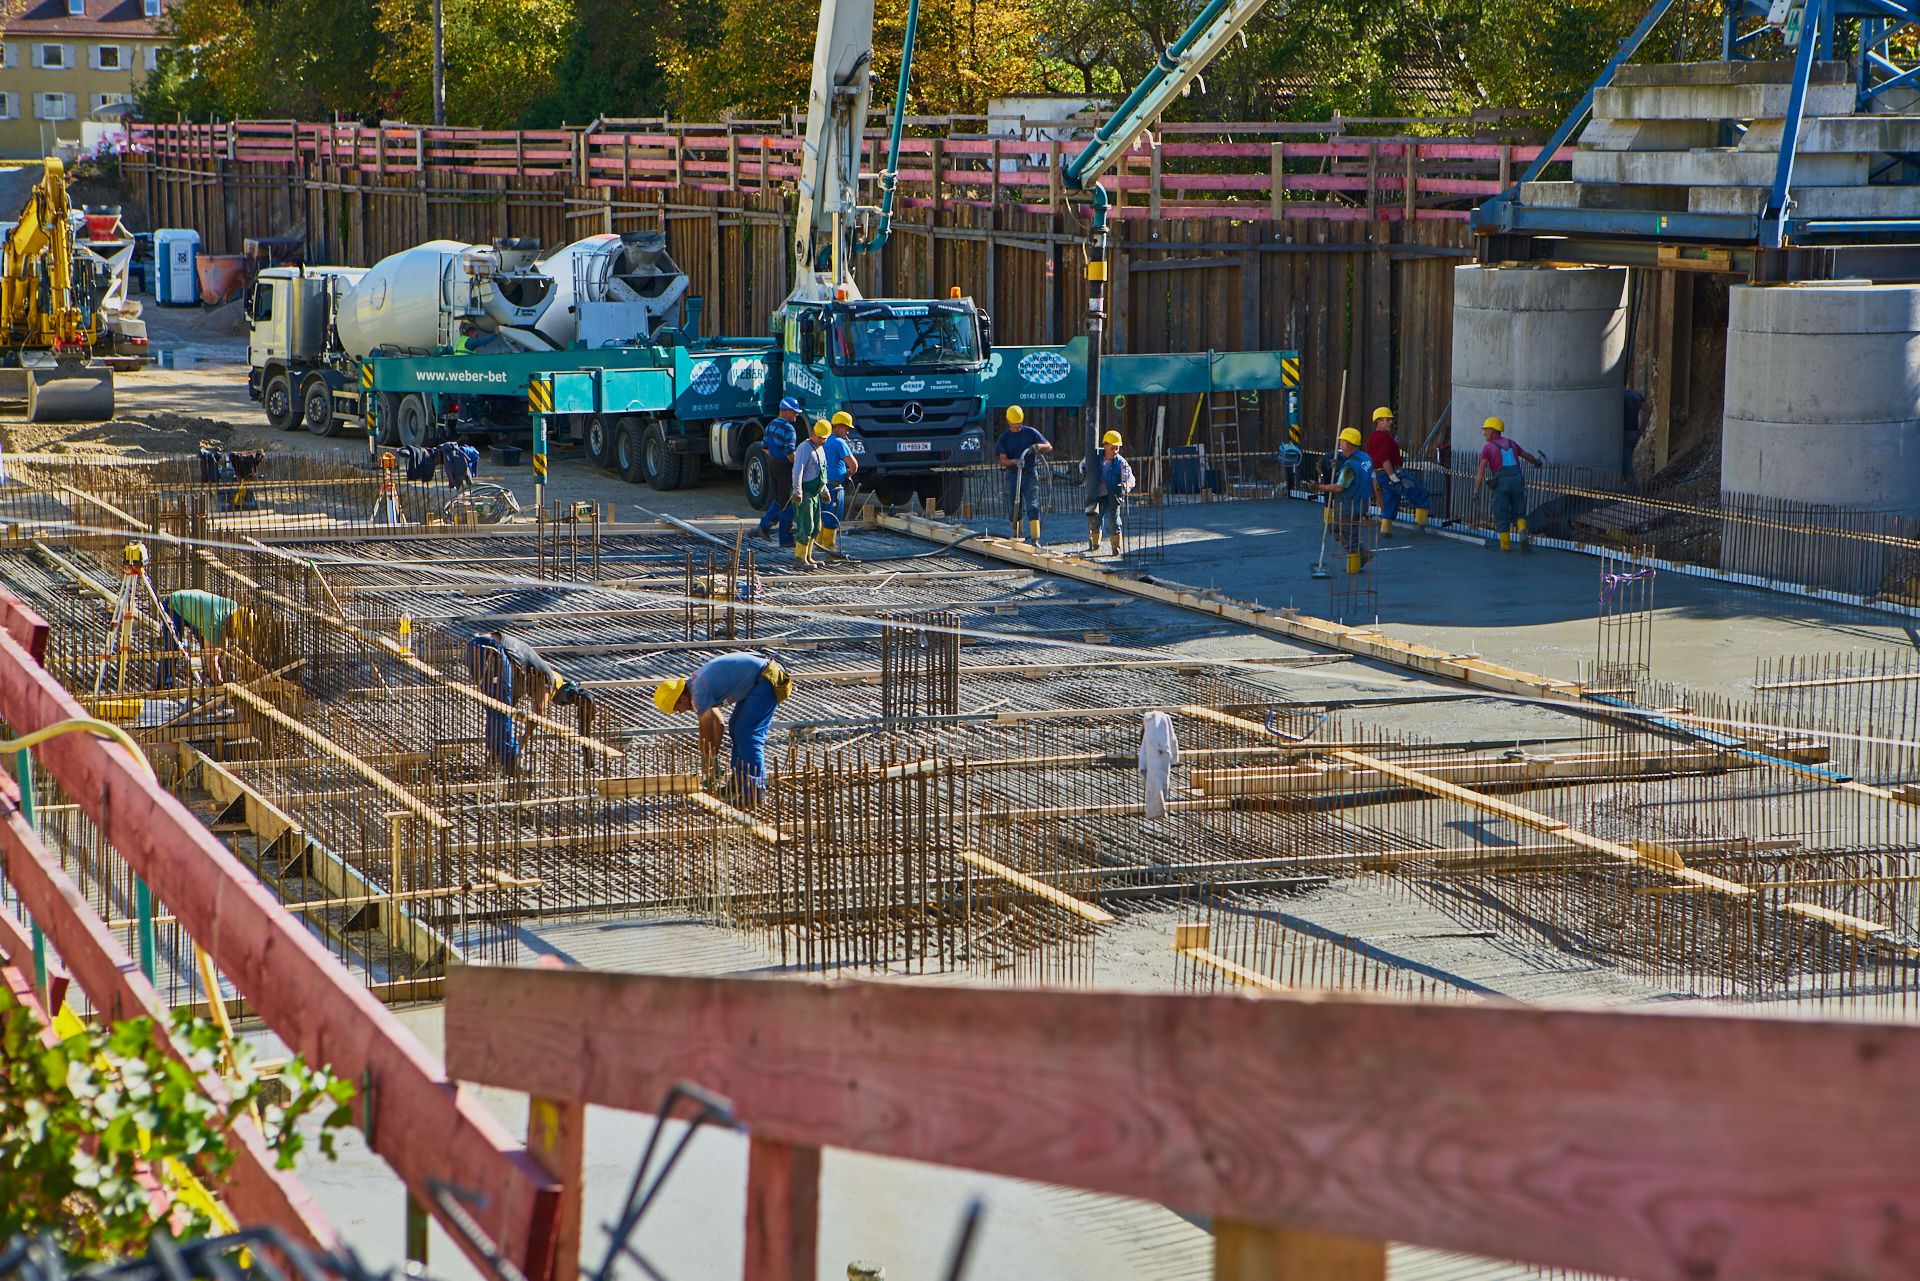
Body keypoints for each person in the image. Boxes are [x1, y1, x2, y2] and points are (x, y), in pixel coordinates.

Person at [653, 652, 793, 804]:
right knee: (735, 727)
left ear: (683, 698)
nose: (680, 712)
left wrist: (709, 765)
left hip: (767, 679)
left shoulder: (698, 694)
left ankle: (754, 793)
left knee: (747, 734)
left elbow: (706, 733)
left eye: (677, 708)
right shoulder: (694, 686)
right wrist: (714, 758)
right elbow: (718, 722)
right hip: (759, 678)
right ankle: (739, 782)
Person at [1474, 416, 1541, 552]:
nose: (1484, 433)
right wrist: (1537, 462)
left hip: (1501, 481)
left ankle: (1505, 549)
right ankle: (1522, 531)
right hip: (1517, 480)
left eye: (1486, 430)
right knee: (1519, 512)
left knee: (1501, 514)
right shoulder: (1512, 443)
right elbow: (1527, 456)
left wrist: (1476, 490)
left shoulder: (1488, 447)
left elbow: (1481, 470)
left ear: (1492, 431)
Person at [162, 589, 253, 685]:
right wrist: (219, 687)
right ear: (232, 624)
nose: (234, 637)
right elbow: (211, 661)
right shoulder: (213, 622)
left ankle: (212, 676)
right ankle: (163, 683)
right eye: (235, 633)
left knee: (209, 646)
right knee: (173, 649)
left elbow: (223, 642)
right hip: (174, 606)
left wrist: (222, 652)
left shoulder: (234, 608)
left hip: (195, 607)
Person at [1363, 406, 1430, 535]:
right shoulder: (1384, 438)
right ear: (1379, 421)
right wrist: (1394, 478)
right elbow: (1385, 459)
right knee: (1421, 493)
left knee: (1391, 499)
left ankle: (1385, 530)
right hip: (1394, 475)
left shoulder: (1372, 438)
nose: (1391, 422)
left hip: (1381, 477)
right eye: (1387, 420)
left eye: (1391, 420)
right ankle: (1419, 529)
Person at [1314, 427, 1375, 570]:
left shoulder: (1350, 466)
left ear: (1347, 445)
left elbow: (1339, 487)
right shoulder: (1366, 458)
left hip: (1350, 505)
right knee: (1336, 529)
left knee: (1349, 536)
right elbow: (1358, 477)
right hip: (1362, 503)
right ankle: (1362, 551)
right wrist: (1340, 466)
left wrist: (1319, 487)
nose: (1340, 446)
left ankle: (1353, 566)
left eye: (1341, 443)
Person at [994, 405, 1051, 545]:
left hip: (1030, 475)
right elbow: (1003, 461)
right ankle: (1018, 536)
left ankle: (1035, 539)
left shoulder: (1030, 433)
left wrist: (1038, 447)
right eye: (1015, 424)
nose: (1018, 426)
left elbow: (1048, 446)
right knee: (1013, 506)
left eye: (1019, 423)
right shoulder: (1004, 438)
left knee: (1033, 505)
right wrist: (1014, 461)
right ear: (1008, 422)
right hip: (1013, 476)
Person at [753, 397, 803, 548]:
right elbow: (790, 453)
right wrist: (799, 466)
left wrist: (775, 457)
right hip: (784, 467)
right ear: (787, 412)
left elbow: (764, 447)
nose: (796, 415)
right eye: (795, 412)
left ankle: (765, 525)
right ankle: (785, 538)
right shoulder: (788, 429)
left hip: (772, 464)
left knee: (778, 498)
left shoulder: (770, 425)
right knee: (788, 501)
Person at [1084, 430, 1135, 556]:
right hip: (1097, 496)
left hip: (1113, 496)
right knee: (1094, 520)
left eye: (1117, 448)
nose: (1115, 452)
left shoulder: (1121, 462)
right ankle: (1095, 544)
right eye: (1112, 448)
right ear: (1105, 446)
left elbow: (1131, 479)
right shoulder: (1094, 457)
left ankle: (1115, 547)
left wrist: (1126, 486)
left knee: (1114, 522)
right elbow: (1082, 465)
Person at [790, 419, 832, 565]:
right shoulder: (804, 448)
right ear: (813, 434)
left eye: (824, 438)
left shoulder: (820, 449)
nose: (821, 440)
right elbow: (798, 470)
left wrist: (824, 490)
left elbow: (821, 471)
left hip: (815, 493)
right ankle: (800, 558)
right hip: (805, 492)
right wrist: (797, 490)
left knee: (816, 528)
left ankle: (808, 556)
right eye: (819, 437)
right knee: (806, 525)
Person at [822, 409, 861, 543]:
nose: (847, 432)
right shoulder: (839, 442)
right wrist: (848, 474)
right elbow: (854, 465)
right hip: (833, 487)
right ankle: (829, 548)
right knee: (833, 517)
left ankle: (819, 546)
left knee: (822, 516)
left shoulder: (824, 439)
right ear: (838, 428)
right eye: (846, 429)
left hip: (821, 485)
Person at [1623, 388, 1649, 483]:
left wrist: (1618, 437)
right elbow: (1648, 410)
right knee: (1627, 460)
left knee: (1625, 463)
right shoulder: (1636, 395)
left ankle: (1634, 489)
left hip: (1624, 435)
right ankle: (1628, 487)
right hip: (1634, 433)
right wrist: (1641, 429)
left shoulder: (1620, 397)